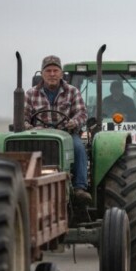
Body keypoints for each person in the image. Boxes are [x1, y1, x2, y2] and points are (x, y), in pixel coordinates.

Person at [24, 55, 92, 204]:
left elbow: (82, 113)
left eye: (55, 70)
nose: (52, 74)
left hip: (66, 133)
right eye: (48, 71)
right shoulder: (31, 94)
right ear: (42, 74)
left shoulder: (72, 91)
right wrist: (28, 126)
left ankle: (79, 187)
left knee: (79, 147)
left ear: (61, 73)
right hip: (39, 135)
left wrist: (74, 122)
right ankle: (25, 183)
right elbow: (23, 118)